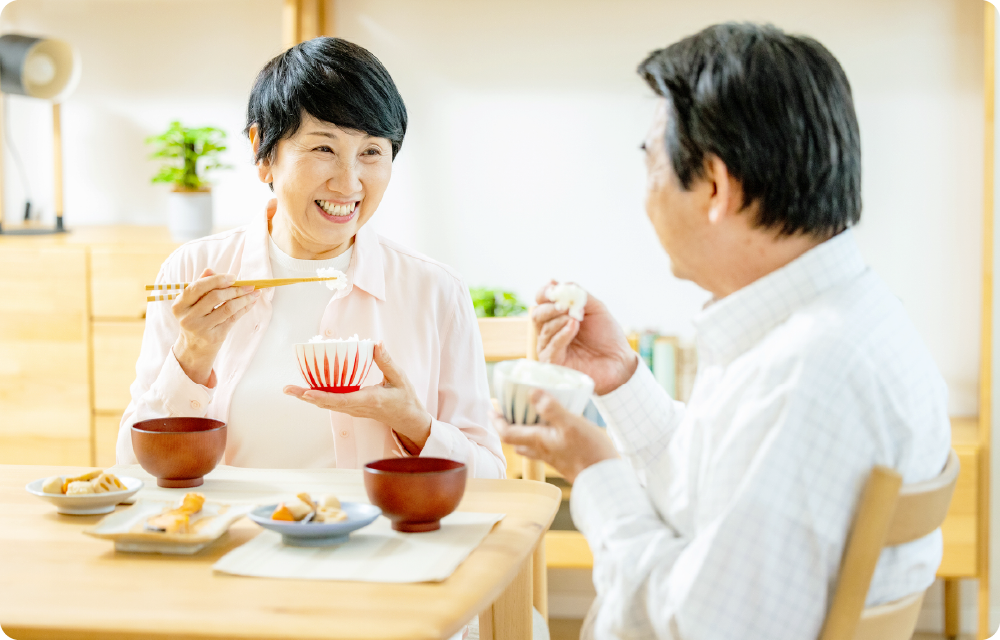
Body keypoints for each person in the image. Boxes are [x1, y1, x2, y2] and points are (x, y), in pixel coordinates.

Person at [496, 23, 950, 639]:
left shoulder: (806, 372)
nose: (646, 192)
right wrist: (620, 377)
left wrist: (596, 472)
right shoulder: (847, 324)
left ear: (714, 185)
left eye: (651, 160)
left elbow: (700, 625)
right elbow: (723, 485)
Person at [117, 37, 505, 479]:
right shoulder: (192, 273)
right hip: (234, 541)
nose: (349, 183)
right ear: (263, 150)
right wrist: (193, 355)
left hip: (380, 544)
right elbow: (131, 467)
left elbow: (491, 478)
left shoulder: (435, 290)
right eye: (324, 149)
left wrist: (414, 425)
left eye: (371, 152)